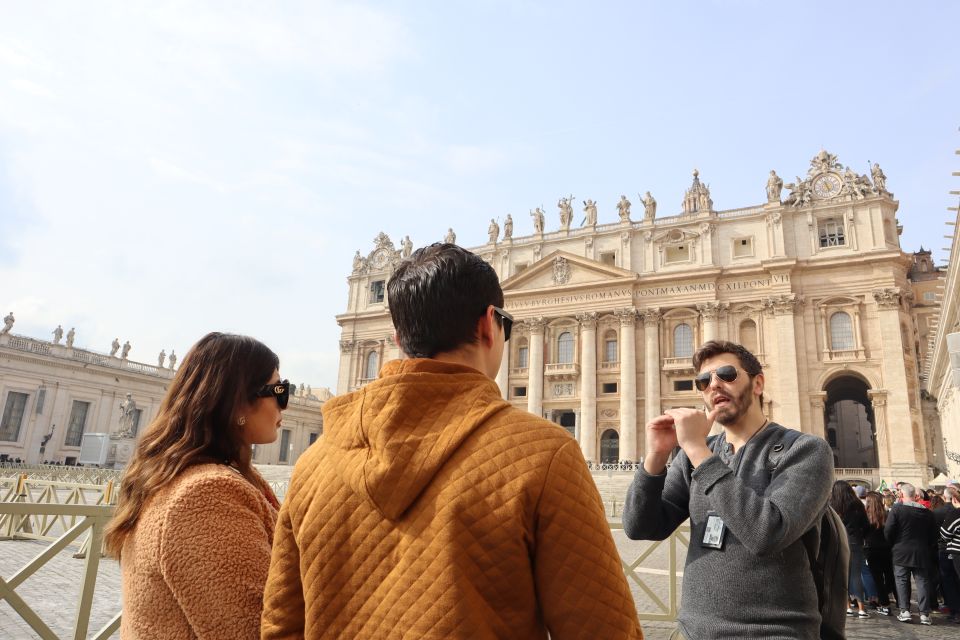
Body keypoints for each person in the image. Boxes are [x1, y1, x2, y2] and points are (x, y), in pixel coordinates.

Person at [262, 243, 642, 639]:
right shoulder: (545, 456)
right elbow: (602, 628)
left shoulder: (313, 464)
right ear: (488, 324)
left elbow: (280, 625)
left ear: (397, 337)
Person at [622, 340, 834, 639]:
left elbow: (766, 533)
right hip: (693, 631)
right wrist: (655, 458)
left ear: (758, 383)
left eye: (727, 374)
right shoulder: (696, 455)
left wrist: (696, 449)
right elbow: (640, 526)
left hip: (774, 632)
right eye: (704, 380)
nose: (714, 385)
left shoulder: (805, 450)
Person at [105, 332, 287, 639]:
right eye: (279, 391)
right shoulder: (206, 495)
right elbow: (254, 629)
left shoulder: (197, 479)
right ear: (238, 401)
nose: (285, 404)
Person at [885, 482, 938, 625]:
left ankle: (905, 611)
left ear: (901, 495)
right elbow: (934, 535)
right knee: (922, 582)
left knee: (902, 580)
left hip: (901, 551)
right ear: (915, 496)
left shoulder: (896, 510)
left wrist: (893, 544)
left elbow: (888, 530)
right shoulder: (927, 513)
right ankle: (925, 614)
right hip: (921, 551)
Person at [830, 481, 870, 618]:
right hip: (855, 543)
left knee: (842, 576)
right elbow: (866, 525)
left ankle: (847, 607)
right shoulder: (858, 505)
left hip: (839, 542)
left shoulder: (833, 505)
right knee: (856, 576)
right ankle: (861, 608)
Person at [864, 491, 896, 615]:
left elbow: (863, 532)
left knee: (877, 579)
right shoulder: (887, 514)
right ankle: (888, 599)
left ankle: (884, 604)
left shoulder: (866, 516)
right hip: (887, 549)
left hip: (871, 549)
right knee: (889, 576)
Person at [934, 486, 960, 622]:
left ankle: (956, 611)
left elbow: (945, 533)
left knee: (950, 581)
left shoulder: (954, 513)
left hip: (952, 551)